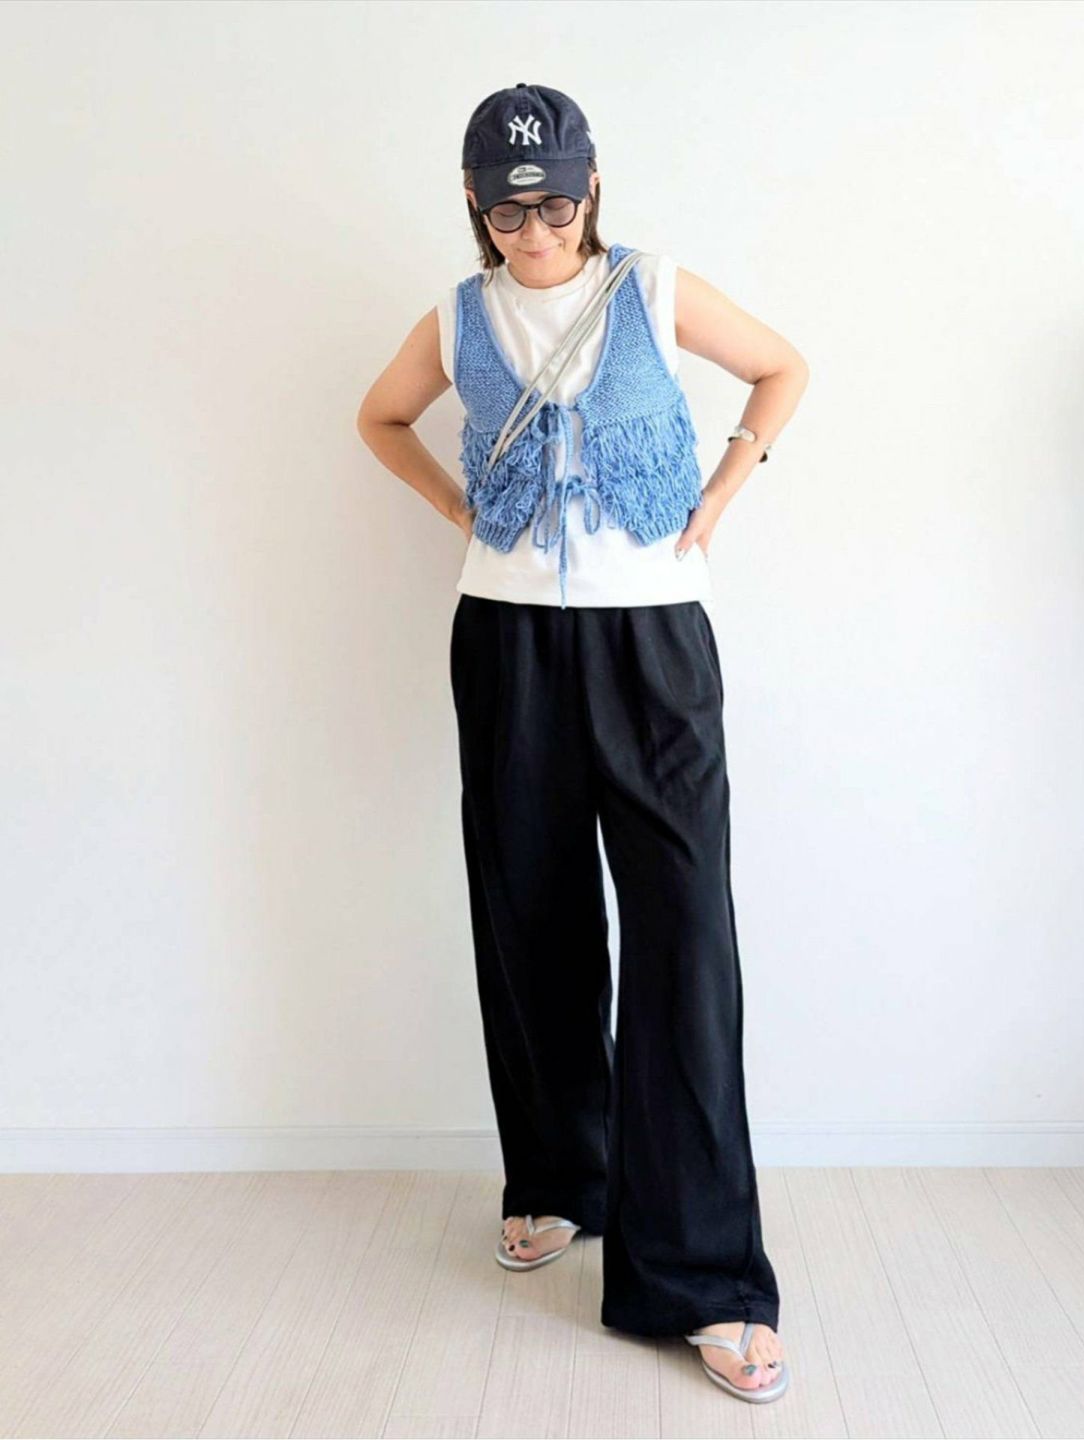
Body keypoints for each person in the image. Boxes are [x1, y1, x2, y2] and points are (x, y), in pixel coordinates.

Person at [357, 82, 810, 1404]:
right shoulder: (458, 316)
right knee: (531, 910)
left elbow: (784, 365)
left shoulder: (653, 287)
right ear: (474, 204)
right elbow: (377, 417)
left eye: (556, 203)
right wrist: (456, 509)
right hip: (505, 643)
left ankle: (707, 1276)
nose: (538, 232)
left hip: (653, 642)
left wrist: (726, 489)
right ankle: (562, 1175)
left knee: (684, 933)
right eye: (510, 211)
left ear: (592, 186)